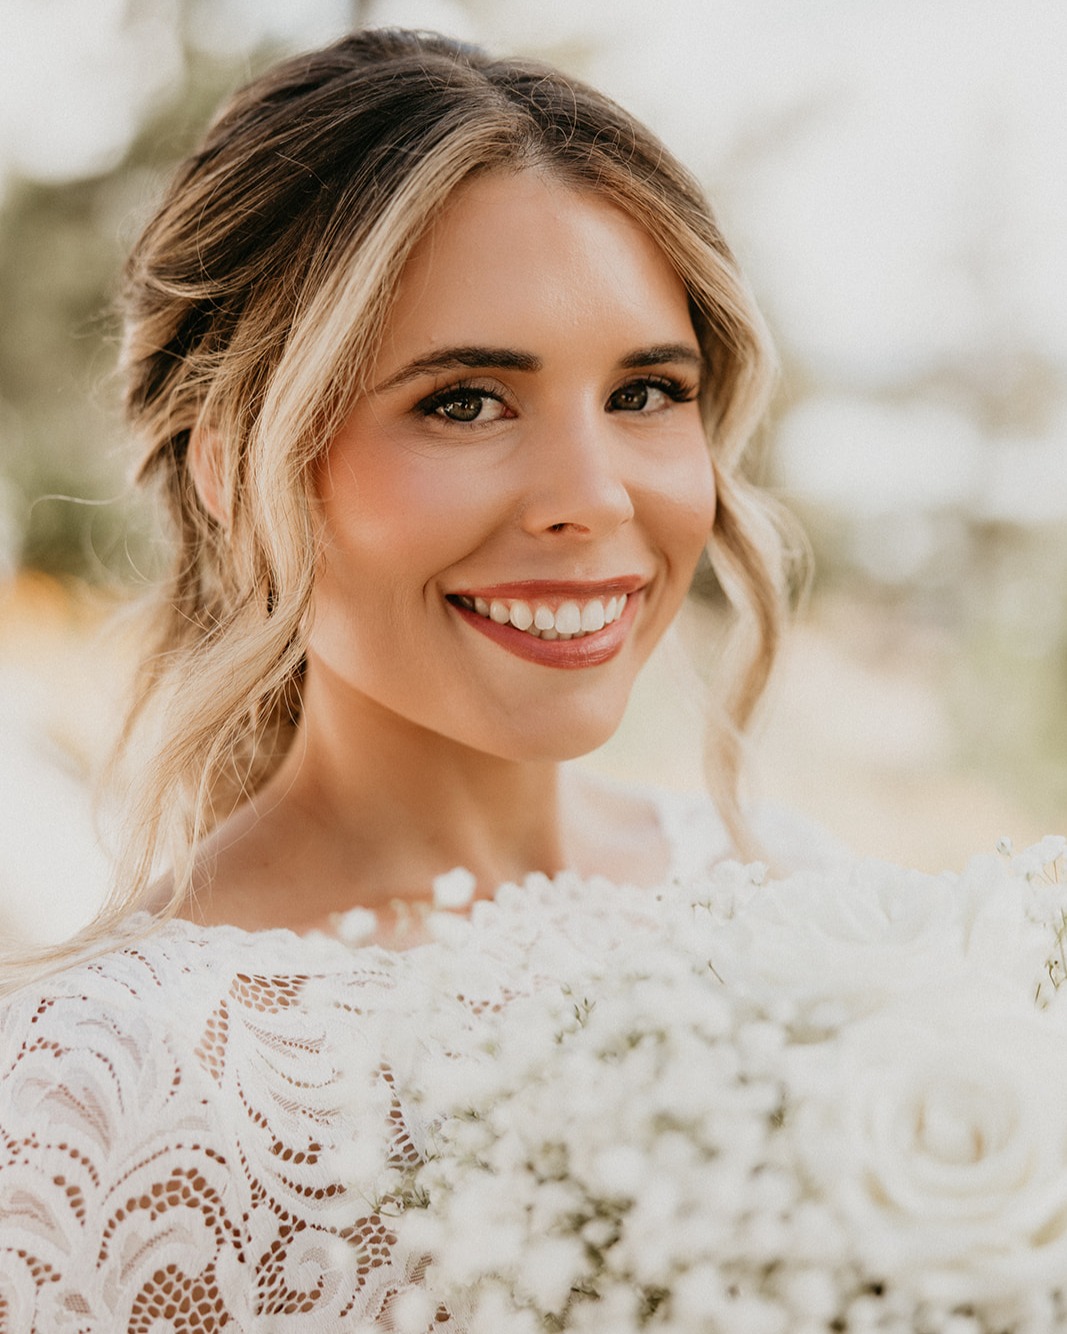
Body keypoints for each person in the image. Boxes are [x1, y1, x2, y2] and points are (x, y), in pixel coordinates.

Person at [0, 27, 814, 1329]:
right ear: (234, 468)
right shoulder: (99, 1090)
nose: (595, 499)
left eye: (647, 392)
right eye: (466, 401)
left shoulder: (802, 908)